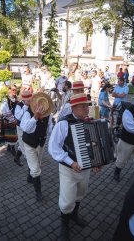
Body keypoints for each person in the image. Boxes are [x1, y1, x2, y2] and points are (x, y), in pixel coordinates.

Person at [48, 93, 102, 240]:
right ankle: (64, 224)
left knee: (80, 193)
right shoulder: (63, 124)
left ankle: (74, 216)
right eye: (83, 106)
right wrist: (71, 162)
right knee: (67, 200)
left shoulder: (90, 121)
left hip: (85, 168)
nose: (87, 109)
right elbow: (53, 148)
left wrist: (96, 162)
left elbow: (94, 144)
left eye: (87, 105)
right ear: (74, 107)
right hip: (68, 169)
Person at [20, 92, 53, 201]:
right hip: (29, 143)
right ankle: (38, 192)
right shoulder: (27, 113)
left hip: (41, 143)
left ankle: (30, 177)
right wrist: (35, 117)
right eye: (39, 105)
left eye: (44, 106)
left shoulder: (49, 115)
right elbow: (26, 129)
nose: (41, 108)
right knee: (35, 169)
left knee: (37, 163)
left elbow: (50, 129)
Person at [14, 90, 33, 167]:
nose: (30, 100)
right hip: (21, 128)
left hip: (29, 127)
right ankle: (30, 164)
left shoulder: (32, 103)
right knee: (23, 145)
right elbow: (18, 116)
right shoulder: (19, 105)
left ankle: (17, 157)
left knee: (25, 143)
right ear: (24, 99)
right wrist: (25, 106)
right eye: (28, 99)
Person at [0, 86, 19, 155]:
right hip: (8, 120)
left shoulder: (16, 98)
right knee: (11, 135)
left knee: (12, 134)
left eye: (15, 90)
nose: (15, 91)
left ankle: (9, 147)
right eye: (13, 90)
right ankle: (12, 149)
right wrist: (12, 120)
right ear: (9, 91)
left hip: (14, 119)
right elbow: (4, 110)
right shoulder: (6, 99)